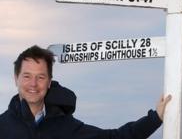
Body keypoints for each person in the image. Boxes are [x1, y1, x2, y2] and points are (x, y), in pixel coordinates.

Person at [0, 45, 172, 139]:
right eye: (27, 76)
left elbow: (115, 137)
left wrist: (155, 118)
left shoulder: (65, 126)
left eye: (41, 77)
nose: (33, 84)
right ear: (16, 78)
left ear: (49, 82)